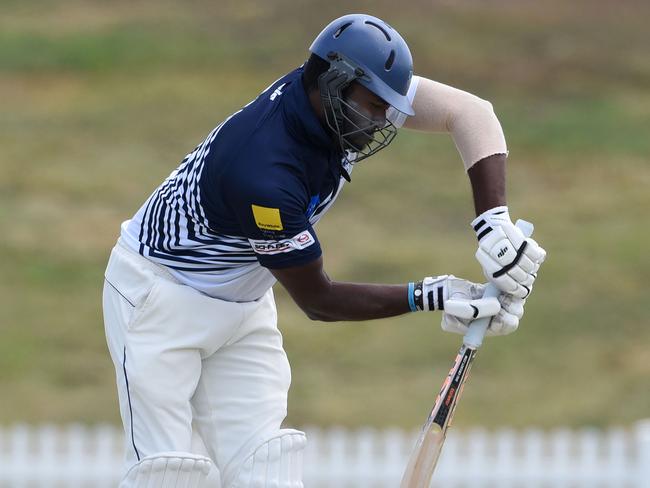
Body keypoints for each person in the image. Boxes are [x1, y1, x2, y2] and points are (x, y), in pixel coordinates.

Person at [102, 13, 546, 488]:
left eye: (387, 107)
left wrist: (493, 223)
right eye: (373, 107)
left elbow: (472, 113)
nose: (382, 121)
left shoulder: (337, 98)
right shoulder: (264, 172)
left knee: (267, 469)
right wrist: (429, 295)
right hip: (158, 301)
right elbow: (319, 301)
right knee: (168, 475)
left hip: (244, 302)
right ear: (334, 84)